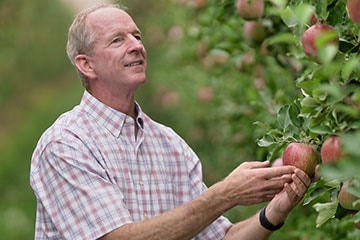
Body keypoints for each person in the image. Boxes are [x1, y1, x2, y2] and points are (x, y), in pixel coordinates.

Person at [30, 3, 311, 240]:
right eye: (118, 40)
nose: (136, 46)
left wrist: (274, 212)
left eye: (137, 36)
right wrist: (225, 194)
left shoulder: (168, 144)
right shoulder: (66, 144)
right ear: (86, 65)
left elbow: (220, 237)